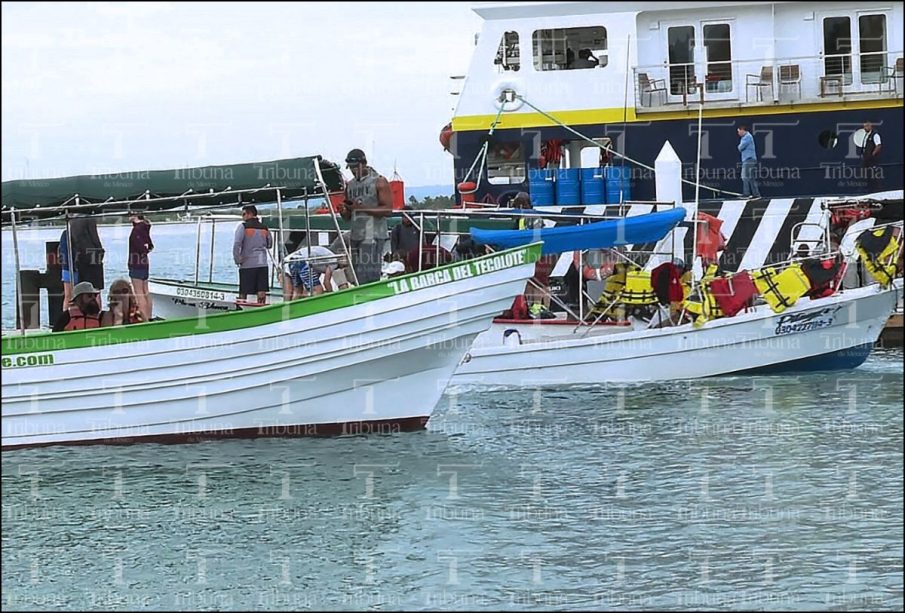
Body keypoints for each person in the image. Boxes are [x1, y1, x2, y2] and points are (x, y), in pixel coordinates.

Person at [340, 149, 393, 284]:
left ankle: (371, 301)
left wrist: (361, 208)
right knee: (357, 276)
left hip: (374, 234)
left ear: (364, 164)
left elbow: (387, 209)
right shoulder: (350, 185)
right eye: (351, 168)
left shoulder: (379, 181)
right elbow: (347, 217)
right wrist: (344, 211)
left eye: (355, 167)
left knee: (369, 275)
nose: (353, 171)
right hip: (356, 234)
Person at [233, 204, 273, 303]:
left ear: (249, 214)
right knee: (261, 289)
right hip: (262, 263)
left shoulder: (243, 226)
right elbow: (270, 244)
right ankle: (261, 307)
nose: (243, 217)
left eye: (243, 214)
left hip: (247, 263)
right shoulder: (265, 228)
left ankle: (241, 308)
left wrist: (237, 259)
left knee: (244, 290)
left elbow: (237, 244)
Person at [128, 213, 154, 320]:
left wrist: (144, 249)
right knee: (145, 291)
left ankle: (145, 319)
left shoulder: (136, 230)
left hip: (136, 263)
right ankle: (149, 316)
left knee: (139, 292)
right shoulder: (145, 228)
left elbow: (141, 248)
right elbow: (150, 246)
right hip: (144, 263)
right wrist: (146, 249)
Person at [70, 214, 105, 290]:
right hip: (92, 257)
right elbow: (94, 237)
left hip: (80, 258)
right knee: (95, 289)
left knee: (83, 289)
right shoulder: (89, 218)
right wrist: (101, 251)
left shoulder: (72, 220)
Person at [736, 124, 761, 198]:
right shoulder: (748, 137)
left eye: (739, 131)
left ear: (742, 130)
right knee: (751, 177)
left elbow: (740, 147)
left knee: (744, 176)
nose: (738, 133)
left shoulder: (746, 137)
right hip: (751, 159)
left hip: (748, 159)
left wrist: (739, 146)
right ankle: (756, 194)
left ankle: (746, 193)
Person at [58, 228, 77, 311]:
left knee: (68, 295)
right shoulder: (67, 234)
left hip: (68, 268)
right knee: (69, 295)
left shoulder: (66, 234)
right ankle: (66, 316)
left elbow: (60, 253)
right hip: (69, 268)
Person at [860, 121, 882, 192]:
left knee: (874, 174)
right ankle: (869, 188)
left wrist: (873, 154)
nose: (865, 128)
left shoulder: (875, 135)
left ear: (870, 126)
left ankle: (877, 189)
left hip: (872, 159)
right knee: (867, 174)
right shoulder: (867, 135)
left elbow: (878, 146)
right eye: (864, 126)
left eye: (866, 126)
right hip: (867, 159)